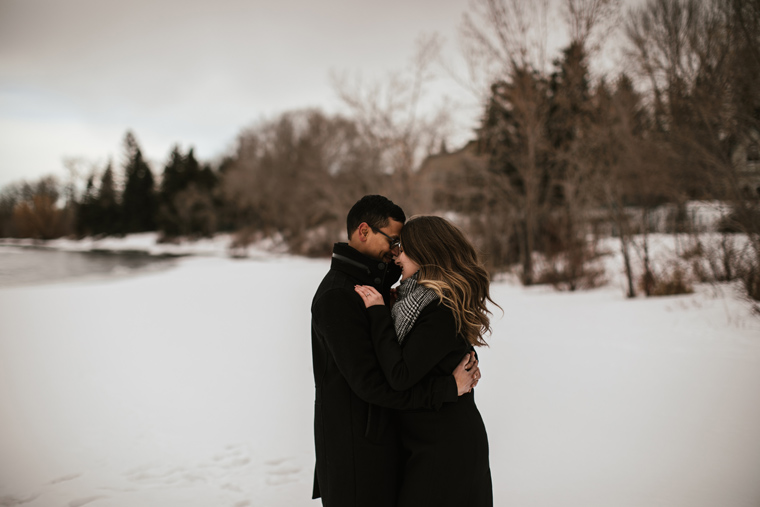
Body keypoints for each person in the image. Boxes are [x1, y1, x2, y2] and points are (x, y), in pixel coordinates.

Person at [311, 196, 480, 507]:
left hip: (397, 446)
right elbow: (372, 385)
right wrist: (447, 388)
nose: (396, 252)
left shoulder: (398, 292)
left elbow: (435, 337)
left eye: (402, 245)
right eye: (393, 241)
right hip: (358, 453)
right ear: (364, 231)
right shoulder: (339, 296)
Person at [354, 215, 496, 507]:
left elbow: (400, 374)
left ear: (426, 252)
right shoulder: (415, 301)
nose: (396, 255)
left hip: (445, 449)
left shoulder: (440, 307)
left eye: (403, 249)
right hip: (424, 443)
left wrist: (378, 313)